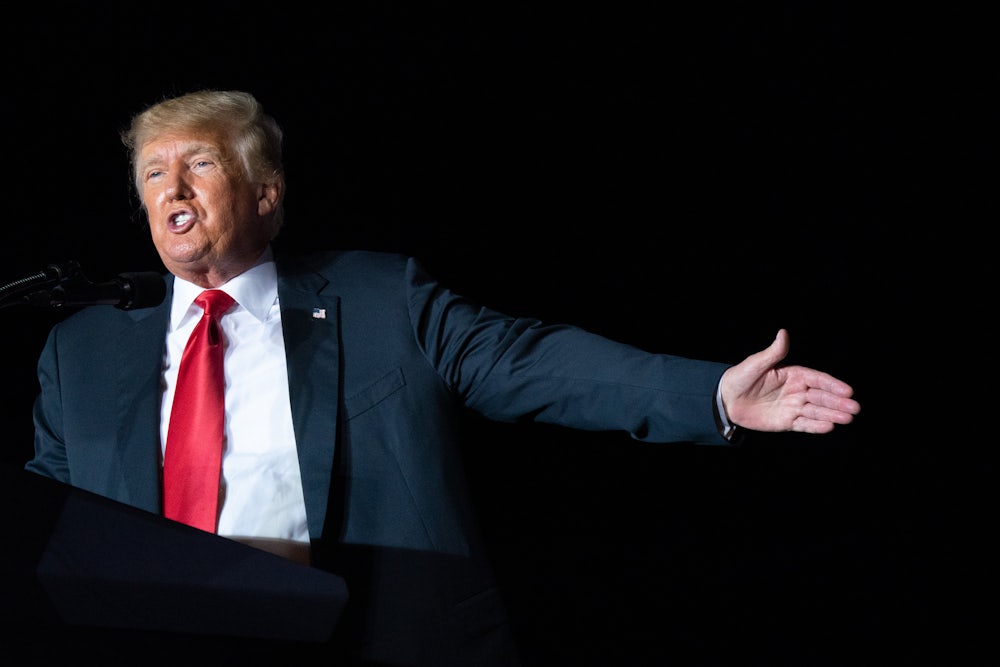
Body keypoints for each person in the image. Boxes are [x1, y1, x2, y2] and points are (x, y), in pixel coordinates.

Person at [24, 89, 860, 666]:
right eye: (153, 172)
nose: (171, 185)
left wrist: (710, 392)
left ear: (266, 192)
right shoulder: (81, 349)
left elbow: (528, 360)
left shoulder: (382, 298)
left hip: (362, 641)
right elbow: (43, 522)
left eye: (199, 164)